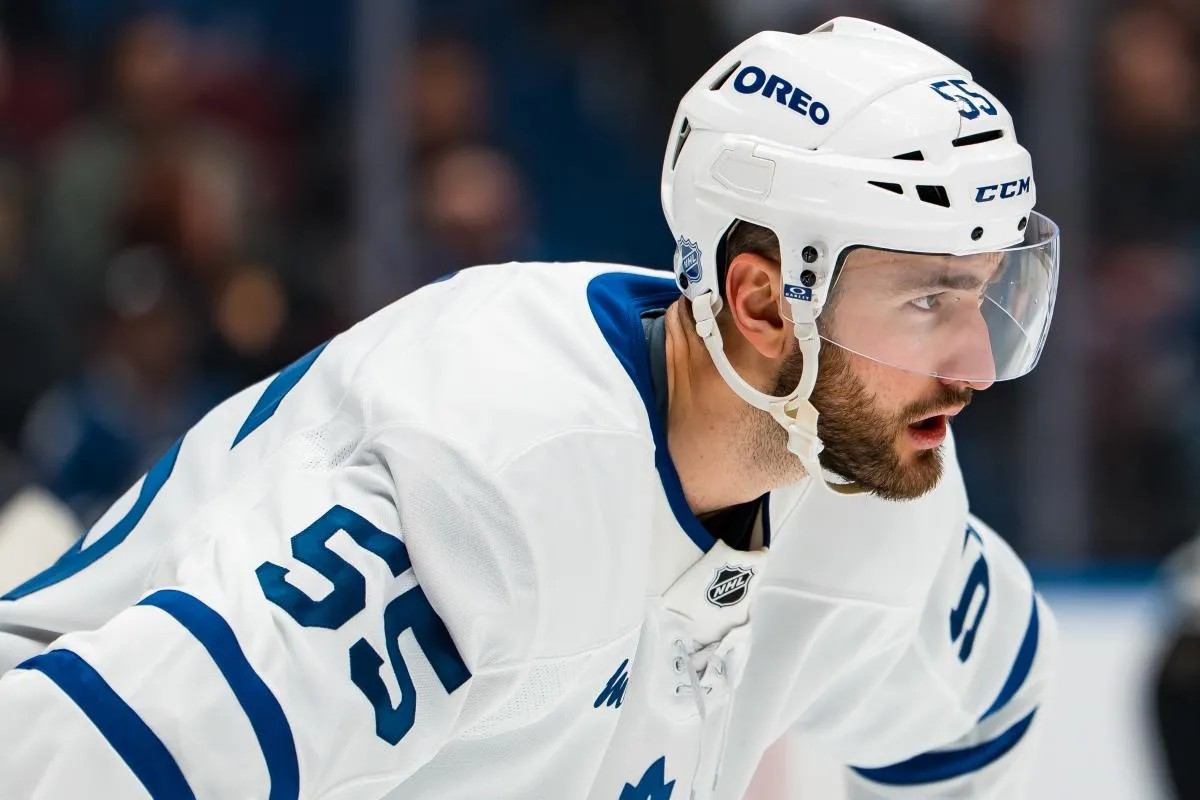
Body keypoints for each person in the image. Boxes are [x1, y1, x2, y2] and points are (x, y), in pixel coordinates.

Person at [0, 18, 1058, 799]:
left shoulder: (880, 485)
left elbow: (980, 717)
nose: (974, 361)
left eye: (984, 292)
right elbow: (75, 761)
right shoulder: (486, 472)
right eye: (927, 298)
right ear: (762, 301)